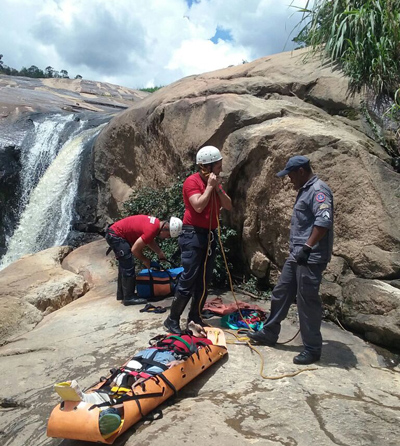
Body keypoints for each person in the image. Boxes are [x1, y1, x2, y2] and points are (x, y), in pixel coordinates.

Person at [248, 155, 334, 365]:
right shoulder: (305, 190)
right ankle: (270, 332)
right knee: (281, 291)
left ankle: (312, 349)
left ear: (302, 172)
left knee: (306, 301)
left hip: (310, 257)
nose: (289, 180)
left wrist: (307, 247)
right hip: (297, 254)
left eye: (291, 175)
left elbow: (323, 222)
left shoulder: (318, 191)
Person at [164, 145, 232, 334]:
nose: (221, 169)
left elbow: (228, 205)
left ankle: (195, 316)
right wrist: (210, 187)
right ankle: (172, 319)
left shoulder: (216, 184)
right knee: (189, 278)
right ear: (208, 167)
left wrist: (217, 188)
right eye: (218, 166)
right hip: (192, 234)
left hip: (209, 236)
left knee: (204, 279)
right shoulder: (191, 182)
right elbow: (198, 206)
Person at [105, 215, 183, 305]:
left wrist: (160, 253)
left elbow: (149, 240)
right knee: (128, 264)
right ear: (165, 228)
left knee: (124, 263)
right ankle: (128, 297)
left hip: (114, 233)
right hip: (115, 235)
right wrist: (146, 260)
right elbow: (135, 250)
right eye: (168, 235)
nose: (167, 237)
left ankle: (122, 294)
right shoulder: (152, 229)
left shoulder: (155, 224)